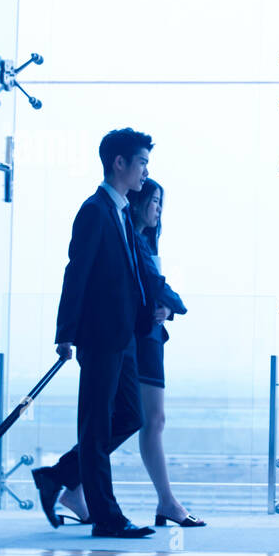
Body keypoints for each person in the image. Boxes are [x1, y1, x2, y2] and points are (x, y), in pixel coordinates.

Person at [31, 127, 166, 539]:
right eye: (141, 162)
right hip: (99, 335)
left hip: (125, 336)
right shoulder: (94, 210)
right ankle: (106, 517)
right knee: (95, 425)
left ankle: (58, 475)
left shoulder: (123, 212)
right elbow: (77, 273)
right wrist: (65, 332)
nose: (146, 171)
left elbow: (130, 276)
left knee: (129, 416)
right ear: (119, 163)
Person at [127, 178, 203, 528]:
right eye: (154, 201)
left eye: (161, 203)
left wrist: (167, 311)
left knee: (143, 420)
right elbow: (153, 288)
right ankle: (167, 502)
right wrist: (178, 306)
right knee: (147, 420)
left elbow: (152, 294)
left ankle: (70, 481)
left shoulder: (144, 241)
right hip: (141, 340)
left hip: (151, 337)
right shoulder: (130, 237)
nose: (158, 209)